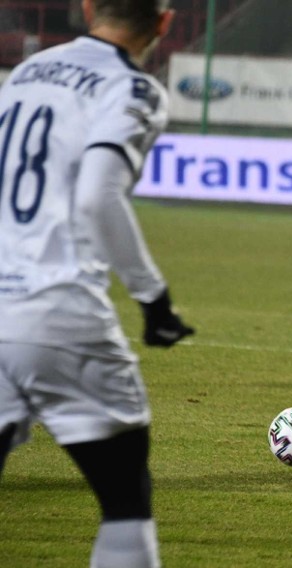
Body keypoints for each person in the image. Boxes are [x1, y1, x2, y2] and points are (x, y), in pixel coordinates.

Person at [0, 1, 195, 566]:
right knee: (124, 501)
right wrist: (153, 299)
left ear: (87, 7)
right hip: (57, 309)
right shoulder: (132, 89)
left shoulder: (27, 73)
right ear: (164, 21)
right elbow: (96, 195)